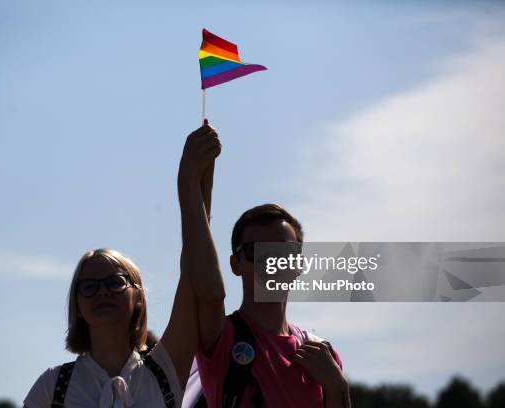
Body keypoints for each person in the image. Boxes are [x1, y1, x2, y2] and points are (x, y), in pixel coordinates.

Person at [23, 120, 221, 408]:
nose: (102, 293)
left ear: (138, 296)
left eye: (115, 282)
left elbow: (194, 274)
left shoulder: (164, 371)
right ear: (77, 304)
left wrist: (192, 183)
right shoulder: (52, 387)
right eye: (89, 287)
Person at [179, 134, 351, 405]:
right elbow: (209, 292)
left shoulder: (322, 354)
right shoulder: (222, 337)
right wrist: (190, 186)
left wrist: (337, 385)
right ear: (235, 265)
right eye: (257, 251)